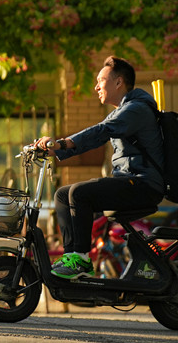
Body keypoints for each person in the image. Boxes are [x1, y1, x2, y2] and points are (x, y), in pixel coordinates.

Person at [36, 56, 165, 279]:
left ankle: (83, 260)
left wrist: (62, 144)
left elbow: (101, 131)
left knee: (79, 194)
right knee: (62, 194)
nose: (96, 86)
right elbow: (98, 135)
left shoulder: (136, 109)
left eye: (101, 80)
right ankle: (73, 257)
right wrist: (56, 150)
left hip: (143, 184)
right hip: (130, 182)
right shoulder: (122, 111)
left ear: (118, 82)